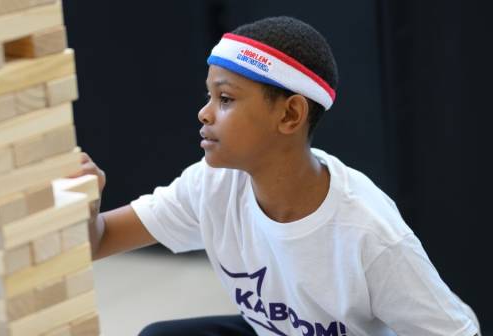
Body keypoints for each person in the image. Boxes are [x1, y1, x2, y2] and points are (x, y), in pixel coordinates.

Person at [69, 16, 481, 336]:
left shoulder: (369, 234)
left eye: (225, 99)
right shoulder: (210, 185)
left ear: (290, 114)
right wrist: (85, 207)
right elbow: (99, 240)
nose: (205, 113)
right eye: (209, 96)